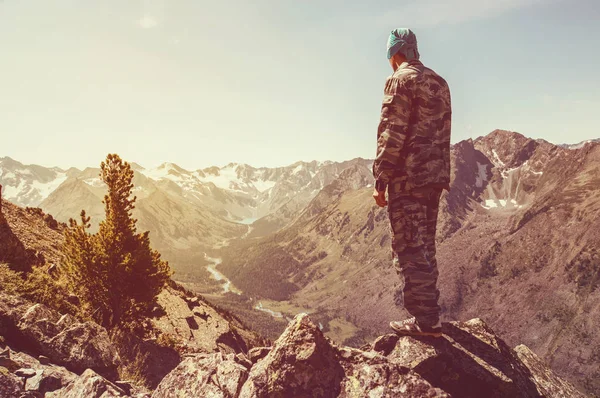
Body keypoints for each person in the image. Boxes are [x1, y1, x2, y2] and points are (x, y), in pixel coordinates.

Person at [372, 28, 452, 337]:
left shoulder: (399, 79)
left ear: (395, 54)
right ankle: (430, 315)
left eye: (389, 56)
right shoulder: (439, 83)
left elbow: (392, 131)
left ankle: (425, 322)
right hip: (434, 177)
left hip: (408, 178)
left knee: (408, 248)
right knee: (425, 246)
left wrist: (381, 179)